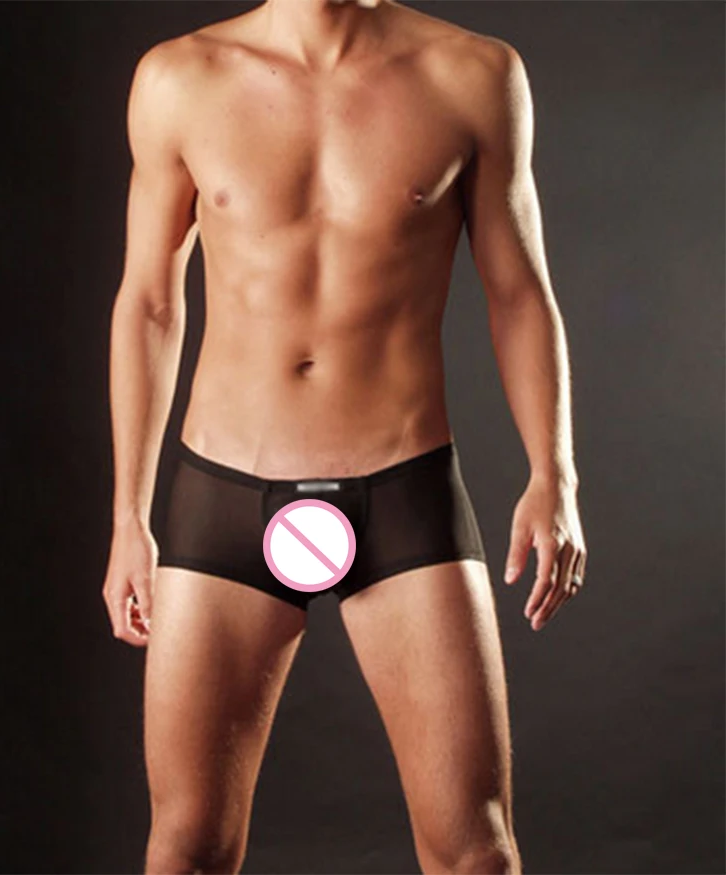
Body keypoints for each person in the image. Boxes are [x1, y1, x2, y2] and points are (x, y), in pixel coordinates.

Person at [102, 0, 588, 872]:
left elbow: (520, 292)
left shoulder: (472, 75)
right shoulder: (181, 79)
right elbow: (149, 302)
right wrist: (128, 516)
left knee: (477, 850)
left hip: (402, 485)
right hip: (224, 490)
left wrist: (555, 473)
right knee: (187, 848)